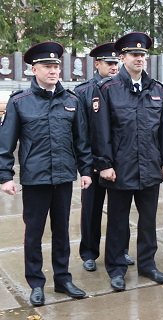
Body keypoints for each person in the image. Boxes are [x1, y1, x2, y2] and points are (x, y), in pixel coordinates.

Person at [0, 41, 92, 306]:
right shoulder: (21, 102)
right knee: (34, 233)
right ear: (34, 70)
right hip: (35, 179)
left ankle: (63, 279)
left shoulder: (71, 101)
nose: (53, 71)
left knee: (62, 231)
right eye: (47, 66)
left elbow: (81, 141)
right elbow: (6, 142)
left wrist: (86, 170)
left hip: (63, 178)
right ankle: (36, 283)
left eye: (55, 66)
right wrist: (5, 176)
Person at [91, 32, 163, 291]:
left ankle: (148, 264)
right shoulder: (108, 89)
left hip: (150, 166)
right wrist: (104, 164)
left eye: (143, 55)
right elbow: (102, 131)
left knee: (148, 221)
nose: (139, 58)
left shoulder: (158, 90)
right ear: (123, 57)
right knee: (117, 221)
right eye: (134, 55)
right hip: (121, 168)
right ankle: (116, 268)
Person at [75, 42, 135, 272]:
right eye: (108, 63)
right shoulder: (83, 92)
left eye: (115, 63)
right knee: (91, 208)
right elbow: (81, 131)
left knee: (120, 210)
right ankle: (89, 251)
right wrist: (87, 163)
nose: (113, 67)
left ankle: (120, 250)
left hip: (119, 162)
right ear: (97, 64)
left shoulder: (123, 87)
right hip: (92, 162)